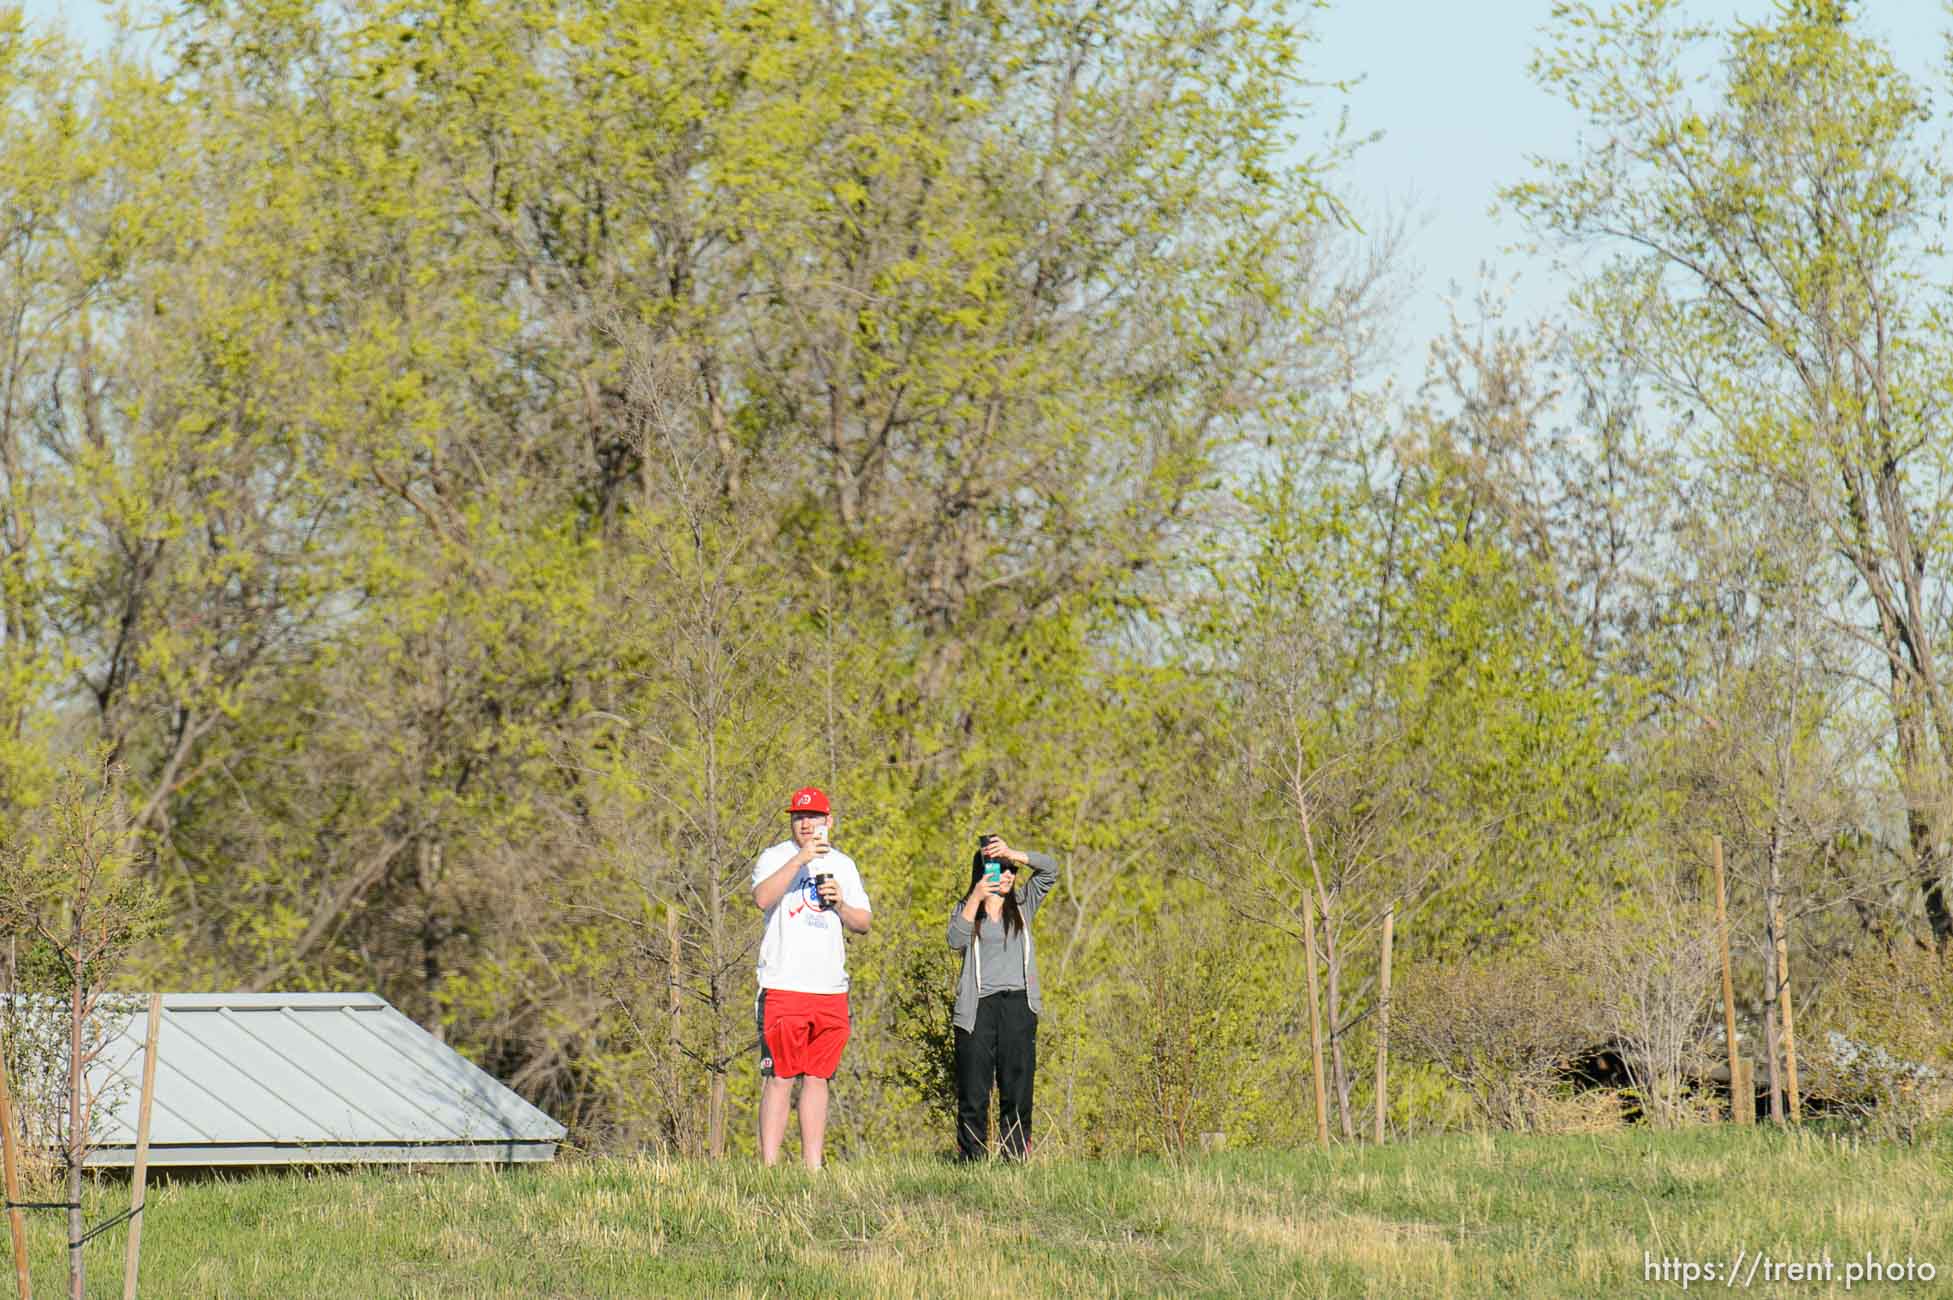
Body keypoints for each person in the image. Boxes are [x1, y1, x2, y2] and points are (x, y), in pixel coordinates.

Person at [750, 785, 871, 1168]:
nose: (806, 824)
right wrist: (799, 861)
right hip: (784, 984)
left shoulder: (845, 864)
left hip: (830, 988)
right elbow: (762, 898)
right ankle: (769, 1167)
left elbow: (863, 922)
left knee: (818, 1077)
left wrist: (840, 903)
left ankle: (812, 1167)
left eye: (813, 817)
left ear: (828, 821)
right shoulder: (775, 857)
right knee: (781, 1076)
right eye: (799, 818)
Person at [946, 832, 1059, 1160]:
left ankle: (1015, 1155)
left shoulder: (1024, 904)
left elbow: (1050, 870)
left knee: (1017, 1084)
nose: (1008, 875)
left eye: (1011, 870)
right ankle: (971, 1158)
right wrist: (976, 898)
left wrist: (1014, 853)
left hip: (1018, 1004)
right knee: (974, 1087)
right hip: (978, 1006)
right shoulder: (968, 908)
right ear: (983, 871)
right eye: (999, 868)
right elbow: (955, 940)